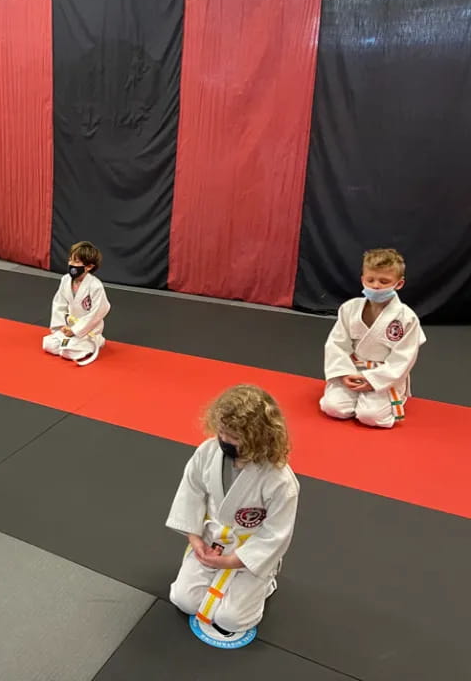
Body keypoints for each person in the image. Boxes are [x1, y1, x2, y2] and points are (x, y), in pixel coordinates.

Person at [167, 385, 299, 637]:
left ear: (259, 437)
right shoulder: (208, 452)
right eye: (223, 432)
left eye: (235, 437)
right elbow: (191, 492)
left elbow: (276, 534)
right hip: (210, 543)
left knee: (231, 620)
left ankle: (267, 581)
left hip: (250, 555)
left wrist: (232, 561)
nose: (225, 440)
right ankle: (213, 569)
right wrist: (195, 540)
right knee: (183, 600)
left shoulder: (279, 480)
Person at [320, 248, 426, 428]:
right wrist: (344, 373)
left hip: (384, 376)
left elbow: (403, 358)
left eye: (384, 281)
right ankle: (355, 395)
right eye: (370, 280)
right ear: (363, 279)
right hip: (352, 370)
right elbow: (336, 344)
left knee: (370, 416)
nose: (376, 286)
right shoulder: (349, 308)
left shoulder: (406, 318)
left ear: (398, 284)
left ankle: (390, 398)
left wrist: (372, 380)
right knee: (333, 407)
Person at [42, 241, 110, 366]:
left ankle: (97, 340)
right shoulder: (65, 280)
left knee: (68, 352)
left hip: (88, 330)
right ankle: (70, 343)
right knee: (48, 344)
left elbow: (99, 311)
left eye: (76, 262)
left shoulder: (95, 286)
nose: (71, 264)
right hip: (69, 327)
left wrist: (75, 330)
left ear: (89, 266)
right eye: (70, 260)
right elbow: (59, 304)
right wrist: (60, 326)